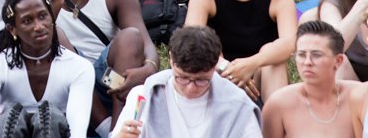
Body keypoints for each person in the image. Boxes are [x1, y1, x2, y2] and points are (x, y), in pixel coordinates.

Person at [0, 0, 94, 138]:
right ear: (13, 30)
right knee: (10, 118)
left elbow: (78, 131)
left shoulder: (80, 67)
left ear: (52, 17)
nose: (39, 26)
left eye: (43, 16)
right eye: (27, 21)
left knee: (51, 118)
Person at [111, 27, 261, 138]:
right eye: (182, 78)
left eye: (201, 80)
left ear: (215, 66)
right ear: (171, 60)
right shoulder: (143, 96)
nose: (190, 88)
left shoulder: (238, 106)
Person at [260, 20, 365, 138]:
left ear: (338, 60)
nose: (307, 62)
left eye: (316, 55)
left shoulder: (359, 96)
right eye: (301, 54)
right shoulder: (278, 103)